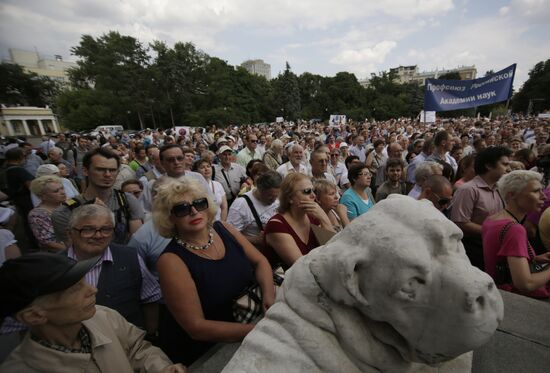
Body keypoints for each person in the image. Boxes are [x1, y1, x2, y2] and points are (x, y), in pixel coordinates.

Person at [153, 178, 275, 365]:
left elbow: (260, 261)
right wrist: (258, 330)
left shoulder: (223, 228)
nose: (194, 211)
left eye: (199, 204)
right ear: (170, 218)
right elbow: (197, 327)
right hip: (210, 353)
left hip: (250, 324)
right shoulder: (170, 261)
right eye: (182, 209)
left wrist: (268, 295)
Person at [0, 253, 184, 372]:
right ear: (34, 315)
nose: (92, 290)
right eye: (74, 289)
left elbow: (138, 349)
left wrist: (161, 369)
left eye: (84, 281)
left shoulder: (103, 316)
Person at [51, 147, 144, 245]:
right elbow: (75, 252)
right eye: (100, 169)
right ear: (85, 171)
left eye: (112, 170)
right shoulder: (66, 211)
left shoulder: (127, 200)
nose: (108, 174)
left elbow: (137, 243)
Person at [482, 170, 550, 299]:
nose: (544, 196)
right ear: (512, 195)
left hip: (496, 291)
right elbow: (525, 284)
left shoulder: (492, 219)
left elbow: (500, 259)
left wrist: (534, 258)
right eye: (536, 191)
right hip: (515, 298)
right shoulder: (514, 229)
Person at [451, 146, 513, 270]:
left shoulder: (499, 189)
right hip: (475, 250)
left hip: (495, 245)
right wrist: (493, 231)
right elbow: (460, 222)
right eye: (504, 164)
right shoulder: (468, 190)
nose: (508, 169)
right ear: (489, 165)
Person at [264, 173, 334, 269]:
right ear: (290, 198)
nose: (313, 195)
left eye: (313, 191)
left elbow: (333, 251)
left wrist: (324, 219)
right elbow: (301, 267)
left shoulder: (313, 217)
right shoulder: (276, 225)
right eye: (307, 191)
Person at [227, 171, 281, 251]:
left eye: (276, 196)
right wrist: (255, 240)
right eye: (270, 196)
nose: (274, 199)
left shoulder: (279, 197)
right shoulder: (240, 205)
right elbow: (230, 235)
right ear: (259, 189)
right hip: (256, 252)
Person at [28, 176, 67, 252]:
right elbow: (49, 243)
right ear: (43, 196)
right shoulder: (37, 215)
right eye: (56, 191)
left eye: (62, 188)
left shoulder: (68, 204)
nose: (62, 192)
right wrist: (74, 251)